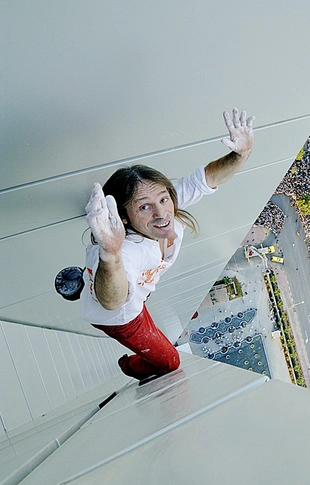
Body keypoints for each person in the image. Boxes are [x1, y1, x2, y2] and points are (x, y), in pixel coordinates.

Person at [80, 108, 254, 380]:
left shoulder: (164, 207)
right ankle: (129, 365)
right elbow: (112, 302)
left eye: (163, 199)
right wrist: (110, 254)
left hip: (137, 293)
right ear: (124, 218)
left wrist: (241, 153)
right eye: (145, 207)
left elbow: (209, 177)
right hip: (123, 318)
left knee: (142, 299)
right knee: (170, 363)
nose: (162, 214)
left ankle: (91, 280)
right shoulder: (127, 251)